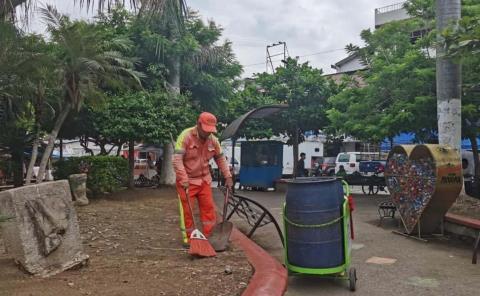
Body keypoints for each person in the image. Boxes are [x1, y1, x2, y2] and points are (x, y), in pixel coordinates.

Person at [173, 112, 233, 245]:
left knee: (208, 210)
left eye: (210, 131)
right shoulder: (185, 136)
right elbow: (177, 160)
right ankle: (188, 239)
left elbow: (220, 159)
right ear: (199, 124)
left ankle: (210, 237)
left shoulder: (213, 140)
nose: (208, 134)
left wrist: (227, 176)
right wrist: (183, 178)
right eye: (206, 130)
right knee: (187, 210)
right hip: (187, 180)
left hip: (204, 180)